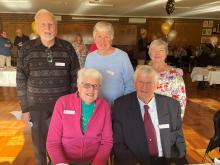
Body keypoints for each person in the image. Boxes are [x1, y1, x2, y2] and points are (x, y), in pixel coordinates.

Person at [16, 9, 80, 165]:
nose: (48, 28)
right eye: (43, 24)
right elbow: (21, 80)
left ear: (56, 27)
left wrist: (71, 103)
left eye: (51, 24)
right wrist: (25, 109)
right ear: (37, 27)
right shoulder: (26, 49)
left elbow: (75, 77)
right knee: (39, 148)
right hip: (36, 108)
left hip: (63, 108)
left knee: (61, 146)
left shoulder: (67, 48)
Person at [112, 65, 187, 165]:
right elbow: (118, 143)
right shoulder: (121, 106)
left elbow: (179, 140)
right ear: (134, 84)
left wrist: (175, 161)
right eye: (141, 82)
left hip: (166, 161)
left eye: (149, 82)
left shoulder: (172, 105)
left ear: (156, 84)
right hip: (136, 161)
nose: (144, 87)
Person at [47, 68, 113, 165]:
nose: (91, 90)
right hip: (63, 160)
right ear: (78, 86)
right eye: (87, 85)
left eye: (95, 86)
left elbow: (107, 142)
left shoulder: (104, 107)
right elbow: (53, 142)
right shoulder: (62, 103)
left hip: (93, 161)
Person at [85, 21, 134, 105]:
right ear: (94, 38)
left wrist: (123, 105)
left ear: (111, 38)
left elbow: (131, 85)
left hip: (117, 107)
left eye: (106, 37)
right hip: (95, 106)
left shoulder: (122, 56)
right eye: (99, 36)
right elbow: (86, 82)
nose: (102, 41)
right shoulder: (90, 57)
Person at [148, 39, 186, 118]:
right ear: (149, 53)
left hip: (166, 117)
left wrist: (176, 122)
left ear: (166, 53)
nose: (157, 53)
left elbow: (181, 101)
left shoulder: (175, 75)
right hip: (146, 115)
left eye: (161, 50)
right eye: (153, 50)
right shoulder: (143, 72)